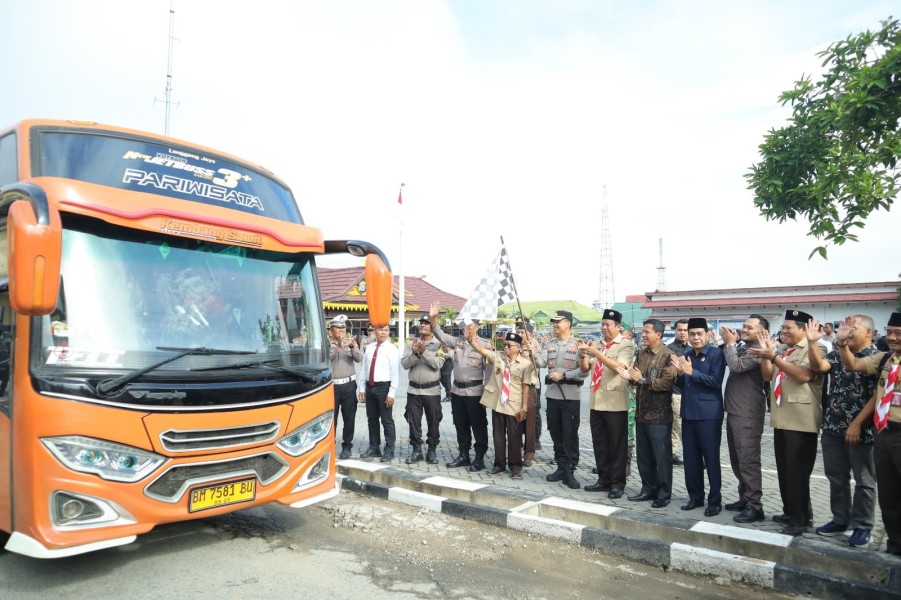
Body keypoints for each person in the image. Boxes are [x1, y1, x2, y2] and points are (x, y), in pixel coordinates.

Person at [750, 310, 826, 536]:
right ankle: (791, 511)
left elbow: (803, 375)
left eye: (788, 328)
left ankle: (800, 520)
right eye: (782, 328)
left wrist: (774, 357)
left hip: (801, 421)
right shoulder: (783, 350)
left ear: (804, 330)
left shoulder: (815, 349)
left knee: (797, 472)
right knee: (784, 470)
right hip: (782, 418)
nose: (783, 332)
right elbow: (767, 375)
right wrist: (767, 356)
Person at [806, 315, 878, 548]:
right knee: (836, 477)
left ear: (868, 333)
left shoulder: (877, 357)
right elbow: (819, 367)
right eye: (844, 327)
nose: (846, 331)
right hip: (833, 426)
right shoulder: (837, 352)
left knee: (864, 481)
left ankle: (862, 525)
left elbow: (877, 396)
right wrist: (811, 343)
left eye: (853, 328)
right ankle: (841, 519)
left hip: (863, 430)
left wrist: (857, 424)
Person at [837, 311, 901, 555]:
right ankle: (894, 545)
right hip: (884, 433)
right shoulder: (885, 359)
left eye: (899, 334)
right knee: (889, 495)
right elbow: (852, 365)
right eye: (890, 333)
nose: (893, 338)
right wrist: (842, 343)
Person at [619, 319, 677, 508]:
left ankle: (663, 493)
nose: (643, 335)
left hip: (659, 416)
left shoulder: (668, 356)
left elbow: (666, 384)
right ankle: (647, 488)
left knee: (662, 457)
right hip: (642, 413)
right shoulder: (641, 354)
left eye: (646, 332)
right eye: (642, 332)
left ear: (658, 334)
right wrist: (630, 378)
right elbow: (635, 377)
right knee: (644, 456)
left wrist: (641, 380)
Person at [672, 317, 726, 516]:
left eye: (699, 334)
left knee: (711, 458)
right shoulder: (687, 355)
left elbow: (716, 381)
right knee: (691, 459)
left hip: (709, 415)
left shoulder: (716, 354)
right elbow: (683, 383)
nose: (695, 338)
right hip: (688, 413)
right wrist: (679, 373)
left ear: (708, 334)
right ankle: (695, 496)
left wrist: (690, 372)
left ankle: (715, 499)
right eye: (692, 334)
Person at [429, 301, 491, 472]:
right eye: (464, 326)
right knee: (460, 424)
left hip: (475, 393)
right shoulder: (458, 342)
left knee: (478, 426)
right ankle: (464, 454)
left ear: (476, 326)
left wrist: (487, 395)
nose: (465, 328)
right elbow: (439, 333)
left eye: (469, 325)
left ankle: (479, 458)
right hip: (457, 392)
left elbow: (490, 373)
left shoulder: (485, 345)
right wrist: (433, 318)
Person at [719, 315, 769, 523]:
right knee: (738, 459)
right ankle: (745, 497)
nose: (744, 329)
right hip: (736, 410)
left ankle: (755, 505)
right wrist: (730, 343)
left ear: (761, 331)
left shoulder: (759, 350)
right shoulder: (743, 346)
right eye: (744, 326)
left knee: (748, 460)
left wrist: (730, 344)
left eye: (749, 327)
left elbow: (737, 366)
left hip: (747, 413)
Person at [582, 309, 635, 499]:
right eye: (602, 324)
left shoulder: (626, 345)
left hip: (615, 403)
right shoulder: (597, 343)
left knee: (617, 445)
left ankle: (617, 483)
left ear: (618, 327)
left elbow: (619, 367)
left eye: (608, 325)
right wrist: (583, 355)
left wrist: (597, 353)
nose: (604, 328)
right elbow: (586, 368)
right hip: (597, 400)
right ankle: (603, 479)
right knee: (600, 443)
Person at [535, 310, 589, 489]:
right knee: (556, 433)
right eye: (554, 322)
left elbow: (584, 371)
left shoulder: (578, 345)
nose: (555, 325)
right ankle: (560, 466)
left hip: (570, 397)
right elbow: (540, 363)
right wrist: (531, 350)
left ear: (568, 324)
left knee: (570, 434)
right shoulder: (550, 344)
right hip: (552, 396)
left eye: (558, 322)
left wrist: (564, 374)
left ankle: (570, 470)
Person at [472, 331, 533, 479]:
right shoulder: (498, 357)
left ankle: (515, 467)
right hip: (499, 403)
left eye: (509, 345)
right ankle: (499, 465)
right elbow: (481, 349)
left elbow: (526, 387)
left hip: (514, 405)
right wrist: (471, 338)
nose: (505, 347)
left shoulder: (526, 364)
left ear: (518, 347)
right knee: (498, 437)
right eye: (504, 344)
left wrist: (524, 408)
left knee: (514, 438)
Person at [401, 317, 445, 464]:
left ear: (432, 326)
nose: (423, 325)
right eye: (421, 323)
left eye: (426, 323)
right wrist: (414, 353)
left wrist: (424, 352)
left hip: (432, 391)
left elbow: (437, 364)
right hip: (413, 390)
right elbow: (405, 365)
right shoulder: (411, 344)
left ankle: (431, 450)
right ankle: (416, 450)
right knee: (413, 422)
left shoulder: (439, 345)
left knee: (434, 421)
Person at [357, 324, 399, 462]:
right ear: (375, 331)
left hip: (384, 388)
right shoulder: (370, 348)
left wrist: (391, 393)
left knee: (386, 420)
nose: (383, 333)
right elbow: (364, 369)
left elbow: (395, 373)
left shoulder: (392, 349)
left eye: (386, 330)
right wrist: (362, 388)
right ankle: (374, 447)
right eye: (380, 330)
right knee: (372, 419)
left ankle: (389, 449)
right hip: (370, 387)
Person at [328, 315, 362, 460]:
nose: (342, 330)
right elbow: (326, 359)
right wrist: (338, 347)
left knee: (349, 418)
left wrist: (353, 346)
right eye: (338, 327)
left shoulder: (350, 342)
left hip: (348, 385)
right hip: (332, 387)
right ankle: (330, 445)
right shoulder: (327, 344)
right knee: (331, 418)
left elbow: (360, 359)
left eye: (343, 327)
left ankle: (347, 446)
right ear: (331, 330)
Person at [667, 320, 689, 466]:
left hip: (690, 393)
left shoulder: (693, 348)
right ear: (675, 330)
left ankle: (672, 452)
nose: (682, 332)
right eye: (680, 330)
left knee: (677, 426)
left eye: (685, 330)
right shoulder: (669, 350)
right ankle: (693, 455)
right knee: (680, 425)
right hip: (676, 393)